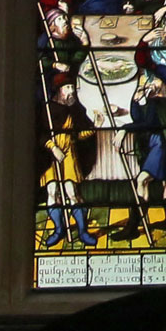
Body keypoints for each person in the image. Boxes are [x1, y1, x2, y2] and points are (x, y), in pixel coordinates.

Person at [112, 76, 166, 241]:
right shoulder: (162, 100)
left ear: (164, 83)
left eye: (154, 80)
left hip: (162, 146)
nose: (150, 84)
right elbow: (139, 118)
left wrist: (124, 129)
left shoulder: (165, 102)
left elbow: (148, 124)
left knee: (142, 180)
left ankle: (132, 228)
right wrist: (136, 100)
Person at [37, 74, 100, 246]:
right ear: (59, 90)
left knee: (72, 192)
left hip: (69, 154)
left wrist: (94, 127)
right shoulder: (47, 109)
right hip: (50, 155)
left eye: (72, 87)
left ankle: (83, 231)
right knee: (52, 191)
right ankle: (59, 230)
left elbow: (79, 134)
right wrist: (52, 147)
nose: (71, 91)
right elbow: (39, 133)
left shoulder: (75, 109)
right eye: (67, 88)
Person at [38, 7, 91, 94]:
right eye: (59, 19)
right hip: (53, 85)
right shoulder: (46, 42)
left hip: (71, 79)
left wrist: (84, 43)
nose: (65, 21)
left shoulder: (70, 39)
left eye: (64, 17)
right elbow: (39, 60)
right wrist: (55, 64)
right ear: (52, 26)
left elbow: (75, 60)